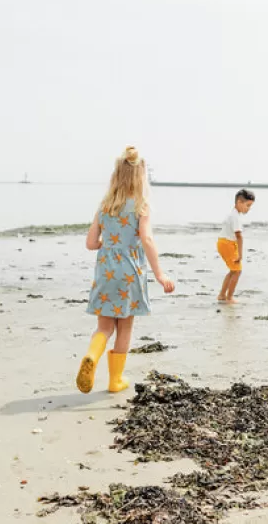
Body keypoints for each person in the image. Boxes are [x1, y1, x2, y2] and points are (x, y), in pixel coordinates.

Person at [76, 146, 175, 394]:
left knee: (104, 327)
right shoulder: (141, 206)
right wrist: (160, 274)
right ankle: (115, 380)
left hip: (105, 271)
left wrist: (106, 245)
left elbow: (90, 243)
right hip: (129, 272)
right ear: (141, 177)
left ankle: (91, 355)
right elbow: (147, 240)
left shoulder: (105, 206)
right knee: (125, 328)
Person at [217, 189, 255, 303]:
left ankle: (222, 295)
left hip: (224, 243)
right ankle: (229, 297)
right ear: (239, 202)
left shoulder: (234, 214)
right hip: (227, 244)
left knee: (233, 270)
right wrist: (240, 254)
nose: (248, 209)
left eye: (250, 206)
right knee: (237, 271)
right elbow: (239, 236)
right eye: (247, 205)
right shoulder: (235, 217)